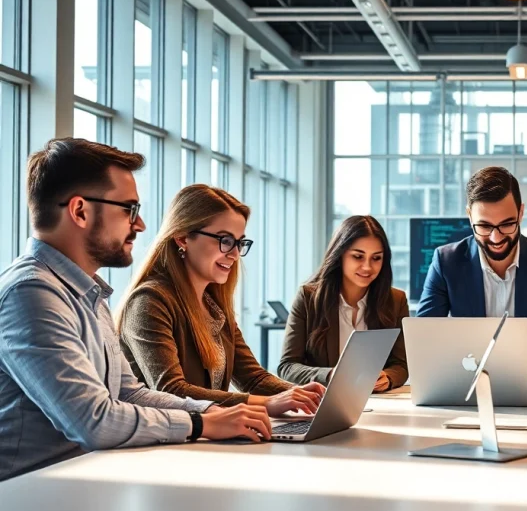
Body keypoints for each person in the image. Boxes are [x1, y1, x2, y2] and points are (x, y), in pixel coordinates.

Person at [0, 139, 271, 481]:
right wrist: (201, 422)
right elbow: (93, 421)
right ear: (80, 211)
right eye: (129, 209)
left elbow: (129, 393)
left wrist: (214, 412)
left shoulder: (87, 292)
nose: (140, 225)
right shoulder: (31, 292)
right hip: (32, 499)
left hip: (88, 483)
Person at [118, 184, 324, 415]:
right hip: (162, 443)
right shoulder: (149, 301)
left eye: (239, 242)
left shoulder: (214, 306)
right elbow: (172, 391)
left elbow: (254, 378)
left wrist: (307, 395)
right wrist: (265, 404)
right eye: (225, 240)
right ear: (183, 237)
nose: (235, 254)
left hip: (206, 437)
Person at [418, 166, 527, 390]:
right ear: (469, 216)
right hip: (464, 384)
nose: (496, 238)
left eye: (507, 224)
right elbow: (425, 338)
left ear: (521, 213)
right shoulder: (446, 262)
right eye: (484, 226)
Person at [278, 215, 409, 391]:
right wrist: (331, 375)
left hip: (378, 401)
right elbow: (287, 366)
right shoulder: (308, 298)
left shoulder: (396, 300)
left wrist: (388, 377)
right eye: (358, 257)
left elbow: (401, 365)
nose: (367, 267)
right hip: (323, 400)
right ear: (340, 255)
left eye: (376, 258)